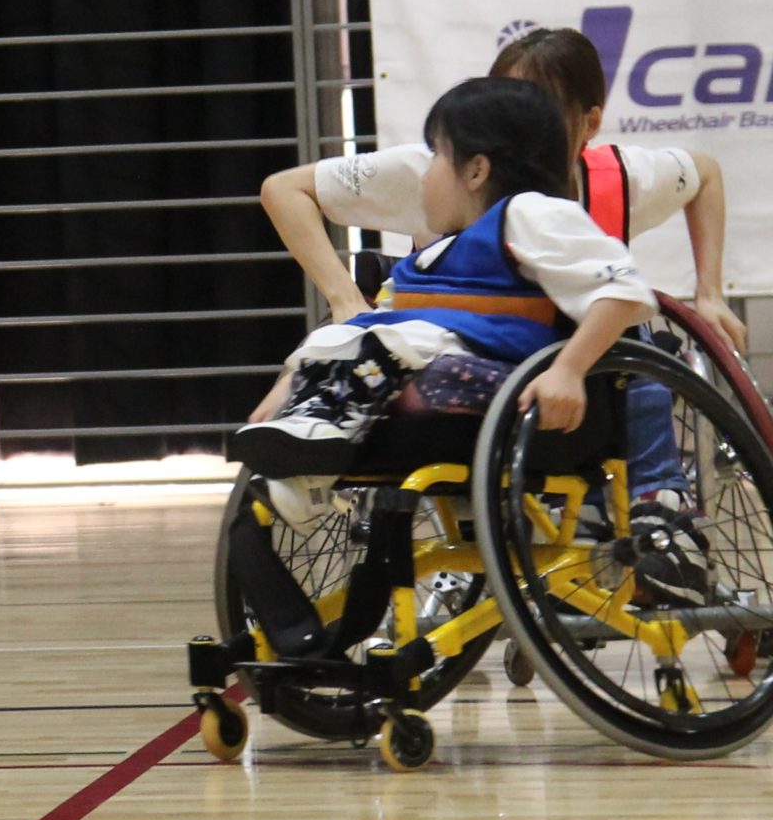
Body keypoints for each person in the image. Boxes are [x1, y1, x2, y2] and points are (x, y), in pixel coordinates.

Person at [233, 79, 655, 512]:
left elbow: (621, 291)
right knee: (338, 336)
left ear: (475, 171)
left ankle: (321, 434)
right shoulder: (435, 252)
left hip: (502, 377)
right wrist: (297, 377)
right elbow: (374, 322)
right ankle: (308, 442)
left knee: (393, 345)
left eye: (435, 155)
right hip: (425, 361)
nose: (424, 173)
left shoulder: (533, 212)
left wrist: (568, 370)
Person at [259, 24, 737, 348]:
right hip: (455, 359)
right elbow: (284, 190)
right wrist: (344, 299)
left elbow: (705, 173)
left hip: (575, 369)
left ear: (590, 124)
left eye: (539, 108)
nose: (517, 122)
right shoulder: (436, 170)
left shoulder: (623, 178)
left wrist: (710, 293)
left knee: (640, 365)